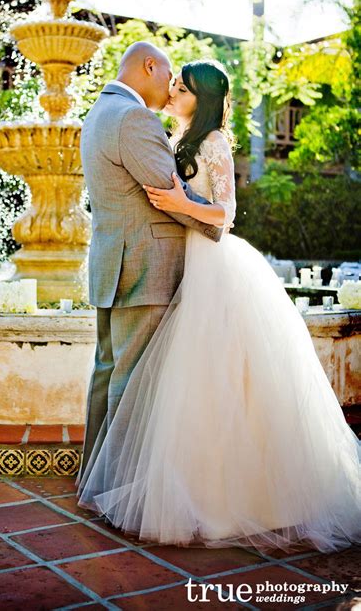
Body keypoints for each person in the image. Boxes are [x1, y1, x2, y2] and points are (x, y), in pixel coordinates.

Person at [77, 59, 361, 553]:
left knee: (224, 380)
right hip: (186, 268)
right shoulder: (169, 135)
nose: (171, 92)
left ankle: (240, 493)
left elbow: (224, 215)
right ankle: (182, 482)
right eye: (173, 85)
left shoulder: (213, 143)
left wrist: (182, 205)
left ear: (202, 99)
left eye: (181, 89)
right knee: (189, 384)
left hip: (213, 265)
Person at [77, 43, 222, 483]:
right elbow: (166, 192)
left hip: (114, 266)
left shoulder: (98, 113)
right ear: (148, 66)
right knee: (133, 384)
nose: (170, 86)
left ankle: (94, 477)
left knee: (108, 376)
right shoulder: (133, 118)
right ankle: (119, 490)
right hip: (144, 269)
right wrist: (218, 227)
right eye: (168, 75)